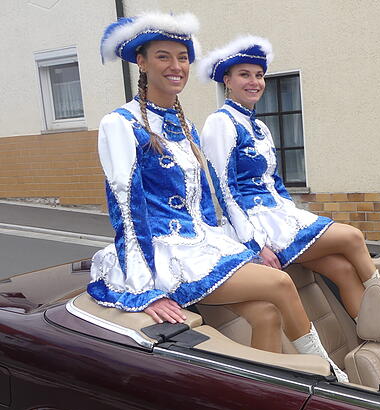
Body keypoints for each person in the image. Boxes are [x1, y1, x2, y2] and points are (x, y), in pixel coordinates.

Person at [91, 13, 347, 381]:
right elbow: (127, 210)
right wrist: (144, 290)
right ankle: (330, 375)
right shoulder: (119, 124)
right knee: (279, 283)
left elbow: (203, 203)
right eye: (163, 56)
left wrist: (227, 240)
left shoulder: (183, 124)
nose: (176, 66)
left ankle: (264, 394)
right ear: (141, 63)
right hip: (163, 253)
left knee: (266, 313)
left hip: (199, 243)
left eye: (182, 57)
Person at [198, 36, 378, 319]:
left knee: (343, 271)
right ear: (227, 81)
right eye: (244, 75)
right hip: (256, 225)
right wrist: (256, 243)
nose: (254, 82)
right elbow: (225, 190)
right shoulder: (220, 122)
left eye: (259, 75)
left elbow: (276, 182)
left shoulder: (260, 127)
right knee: (352, 237)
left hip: (280, 217)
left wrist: (295, 218)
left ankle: (376, 335)